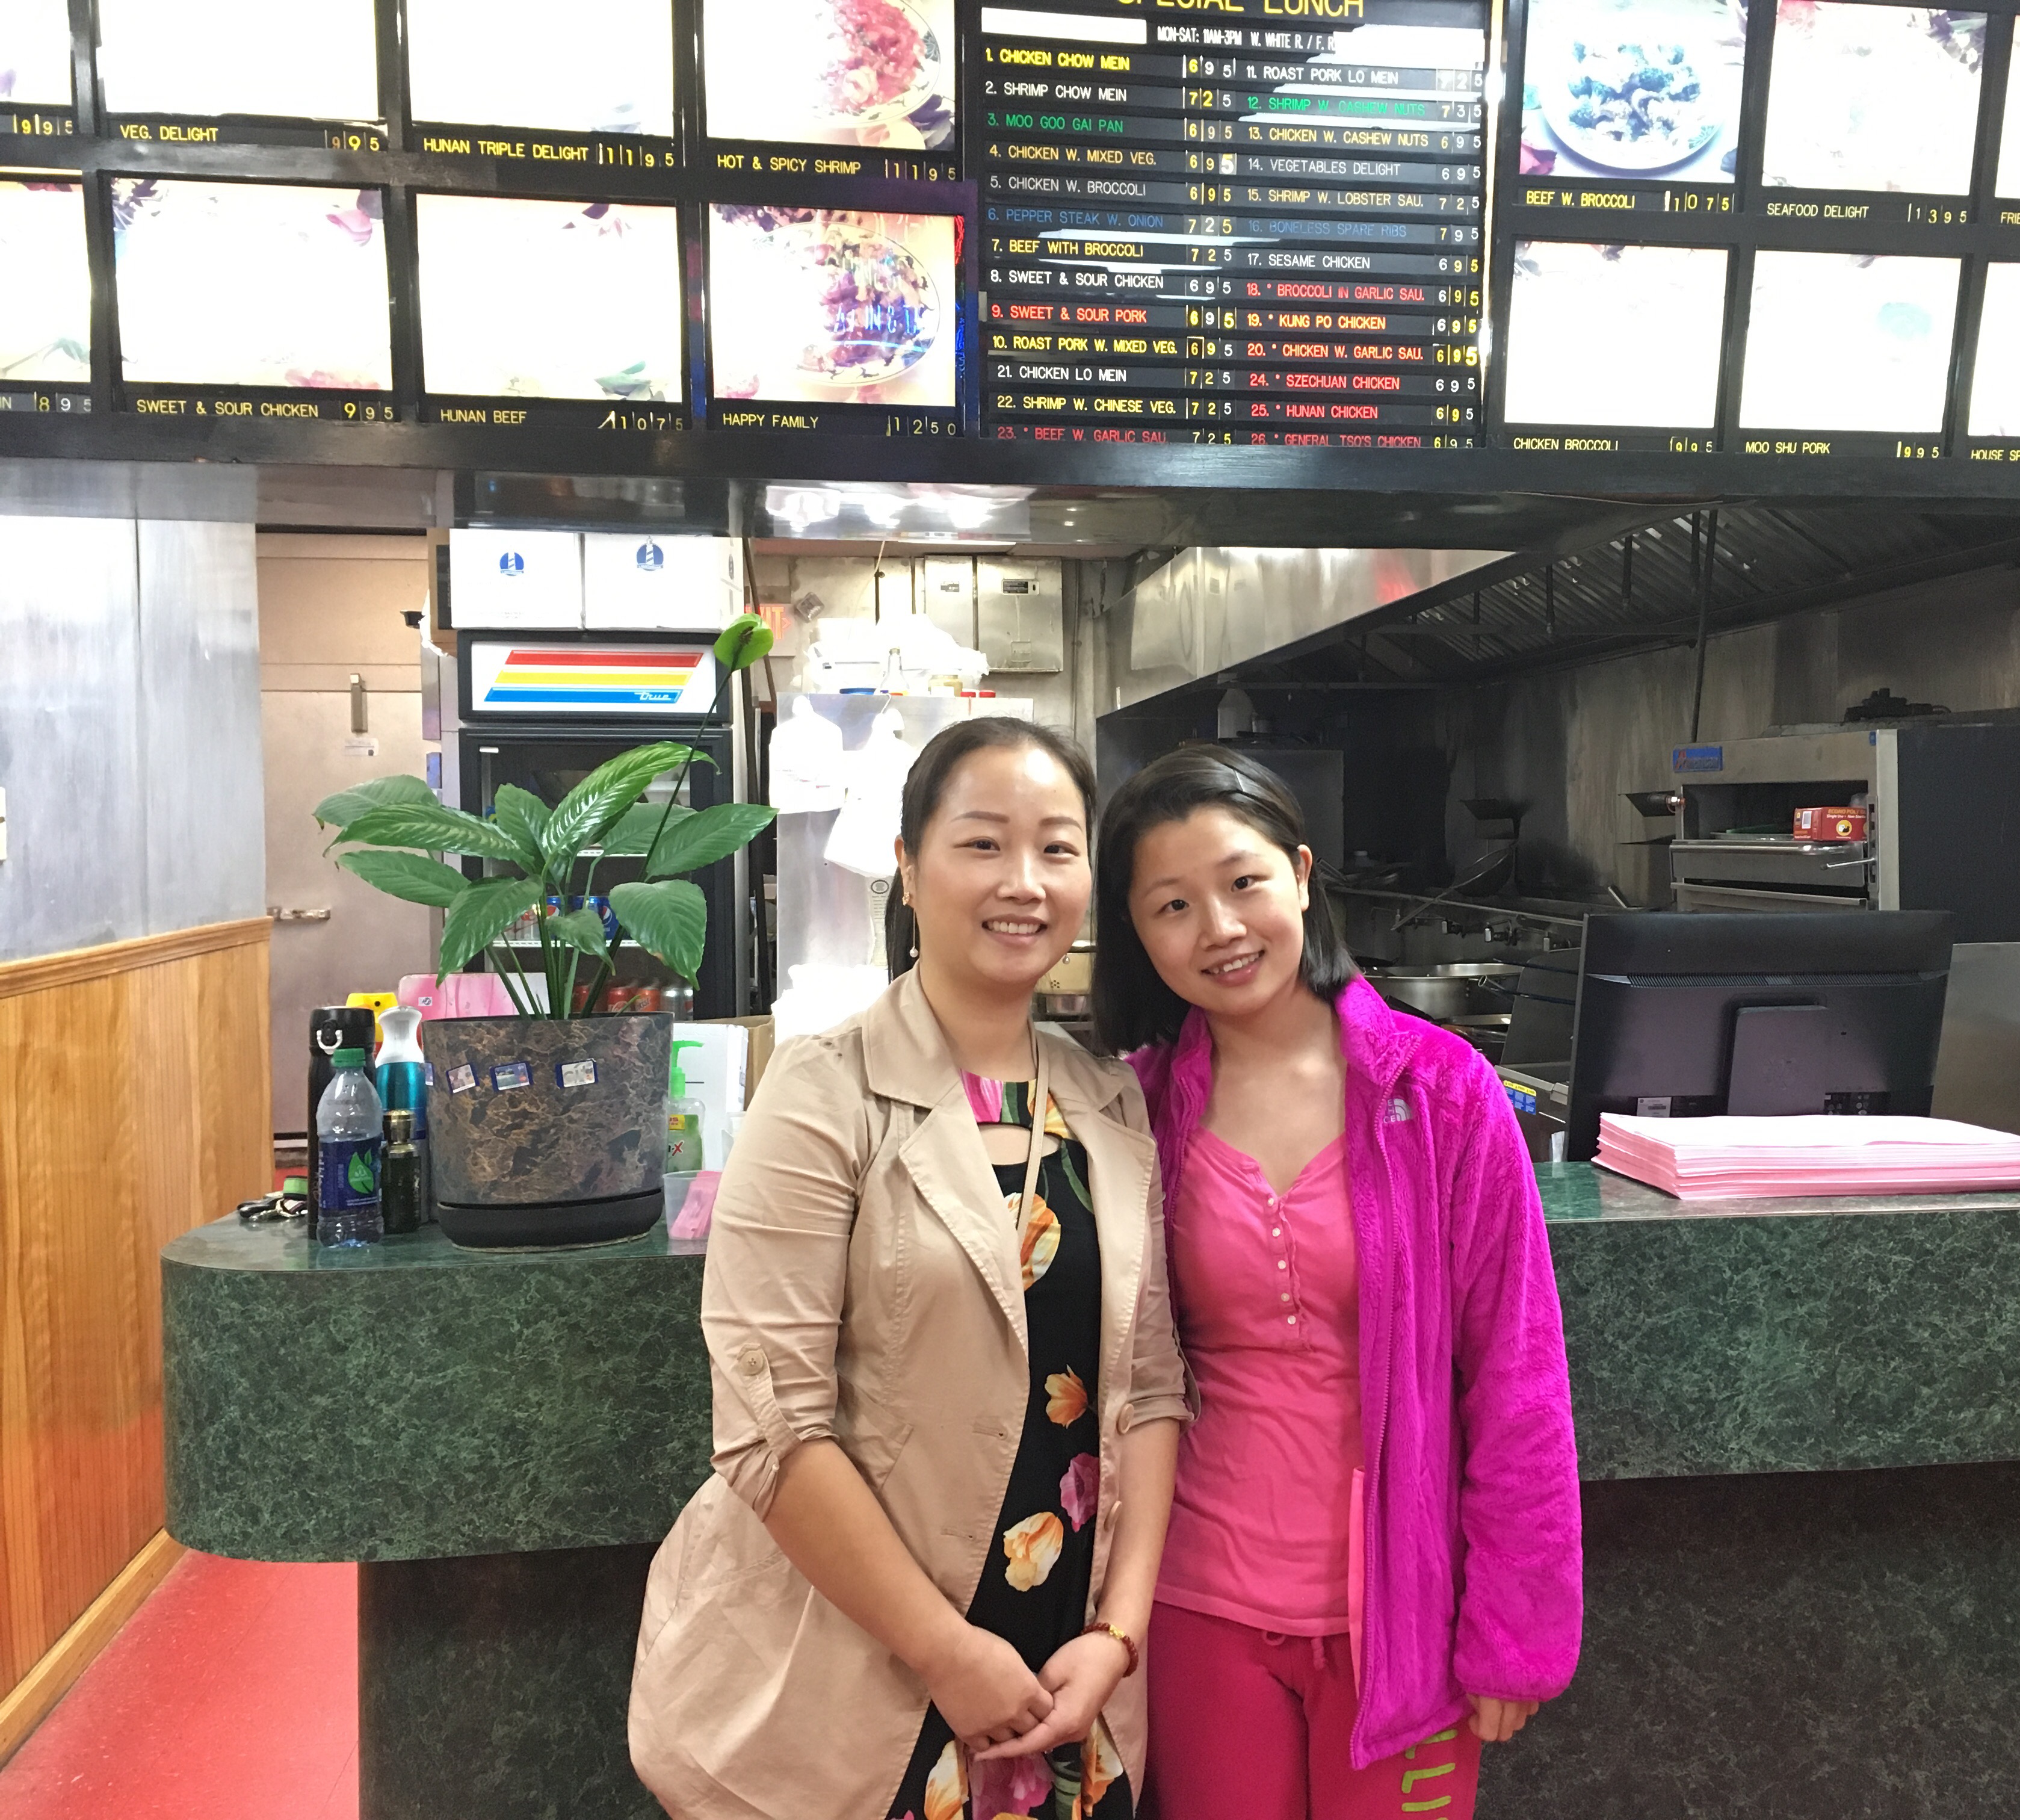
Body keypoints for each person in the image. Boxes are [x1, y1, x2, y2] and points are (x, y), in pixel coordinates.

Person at [631, 719, 1188, 1820]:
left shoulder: (1109, 1097)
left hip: (1070, 1667)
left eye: (1057, 848)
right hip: (873, 1666)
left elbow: (1155, 1387)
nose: (1023, 882)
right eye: (982, 844)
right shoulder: (822, 1090)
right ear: (908, 863)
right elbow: (771, 1426)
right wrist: (946, 1652)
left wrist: (1119, 1637)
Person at [1093, 746, 1581, 1820]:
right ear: (1136, 930)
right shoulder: (1134, 1109)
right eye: (1173, 905)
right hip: (1197, 1607)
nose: (1220, 928)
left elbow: (1519, 1375)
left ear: (1303, 875)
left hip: (1402, 1624)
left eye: (1244, 882)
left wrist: (1515, 1631)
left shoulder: (1439, 1091)